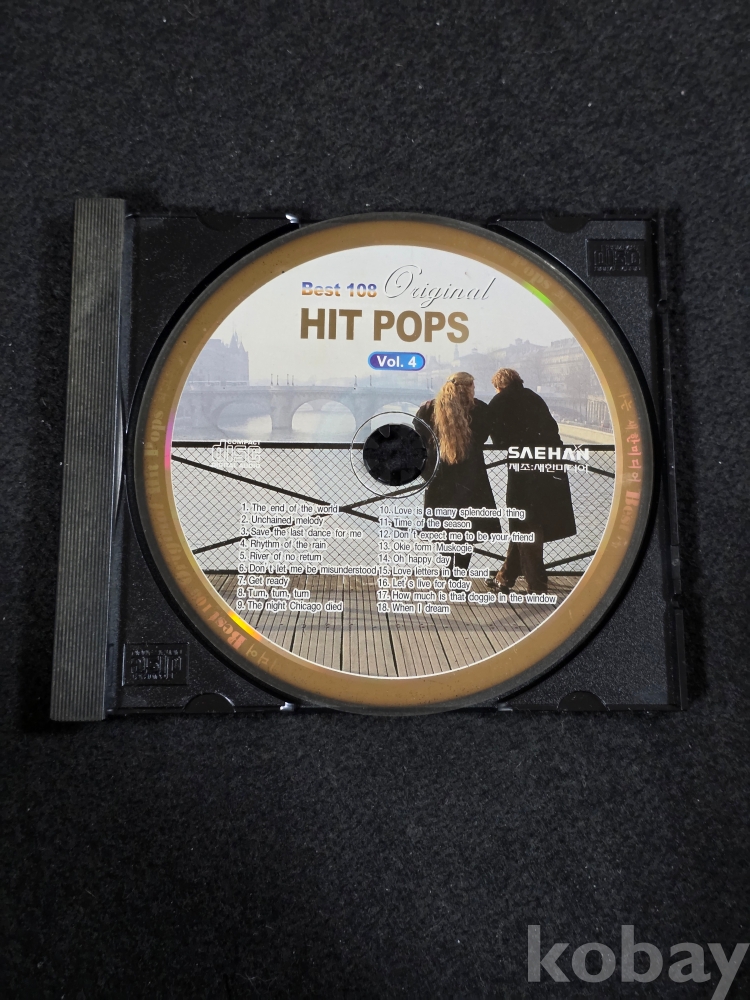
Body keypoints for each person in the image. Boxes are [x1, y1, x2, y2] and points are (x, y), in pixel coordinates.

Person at [486, 368, 576, 594]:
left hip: (522, 471)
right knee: (528, 523)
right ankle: (505, 578)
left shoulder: (499, 401)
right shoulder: (535, 398)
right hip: (548, 468)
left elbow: (498, 440)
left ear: (498, 386)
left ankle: (537, 586)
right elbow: (552, 429)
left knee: (524, 524)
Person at [415, 372, 501, 572]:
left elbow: (419, 432)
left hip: (439, 475)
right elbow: (483, 437)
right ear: (469, 387)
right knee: (467, 527)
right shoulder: (480, 409)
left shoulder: (429, 408)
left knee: (442, 524)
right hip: (470, 476)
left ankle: (449, 568)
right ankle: (458, 571)